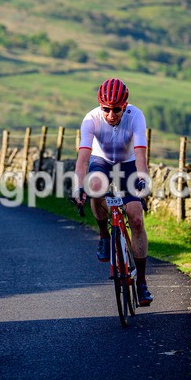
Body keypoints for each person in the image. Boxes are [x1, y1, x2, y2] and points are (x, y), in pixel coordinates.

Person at [72, 78, 153, 306]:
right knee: (94, 187)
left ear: (125, 105)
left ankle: (142, 283)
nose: (110, 114)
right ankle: (104, 235)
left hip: (128, 164)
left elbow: (140, 156)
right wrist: (78, 186)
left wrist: (142, 182)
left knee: (136, 219)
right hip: (102, 161)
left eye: (116, 109)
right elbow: (83, 159)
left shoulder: (136, 116)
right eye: (105, 108)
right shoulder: (91, 118)